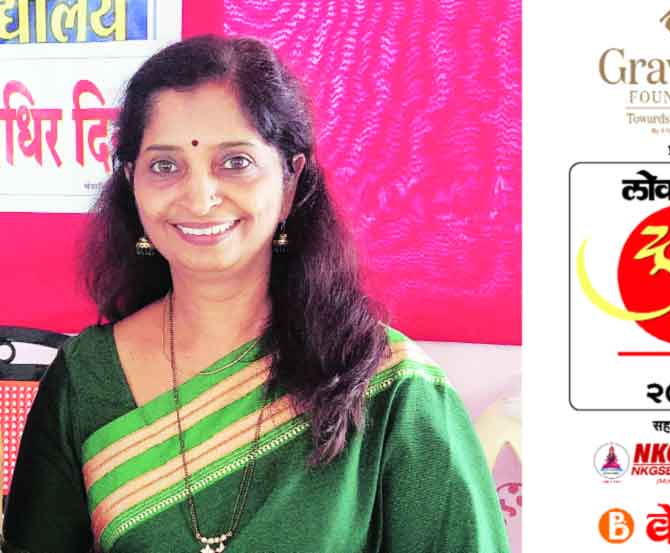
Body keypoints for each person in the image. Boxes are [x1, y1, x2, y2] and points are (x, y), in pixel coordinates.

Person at [1, 36, 509, 553]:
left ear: (290, 181)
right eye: (165, 166)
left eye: (236, 162)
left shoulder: (388, 386)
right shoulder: (88, 376)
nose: (199, 198)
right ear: (132, 183)